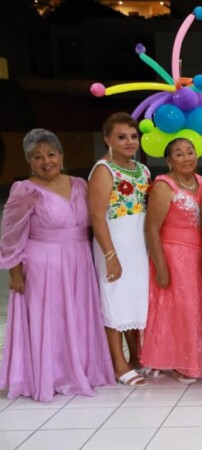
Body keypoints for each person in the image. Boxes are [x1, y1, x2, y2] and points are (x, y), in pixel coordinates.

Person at [0, 129, 114, 401]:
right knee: (48, 319)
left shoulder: (79, 184)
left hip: (79, 260)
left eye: (51, 154)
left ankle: (80, 370)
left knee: (77, 316)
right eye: (37, 157)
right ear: (29, 161)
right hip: (42, 263)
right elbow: (11, 233)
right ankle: (48, 375)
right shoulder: (25, 189)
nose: (46, 161)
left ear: (62, 156)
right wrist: (15, 271)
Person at [141, 138, 202, 384]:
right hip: (173, 255)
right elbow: (151, 230)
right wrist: (161, 266)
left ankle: (195, 357)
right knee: (178, 309)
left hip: (197, 255)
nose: (186, 158)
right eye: (179, 154)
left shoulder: (200, 181)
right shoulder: (163, 185)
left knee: (195, 308)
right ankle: (178, 360)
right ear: (169, 161)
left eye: (190, 152)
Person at [88, 112, 151, 387]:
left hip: (139, 243)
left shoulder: (143, 170)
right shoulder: (104, 169)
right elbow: (96, 216)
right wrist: (110, 256)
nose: (129, 142)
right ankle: (118, 363)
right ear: (107, 140)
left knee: (135, 301)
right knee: (113, 301)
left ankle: (138, 356)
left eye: (133, 137)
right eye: (121, 137)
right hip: (114, 242)